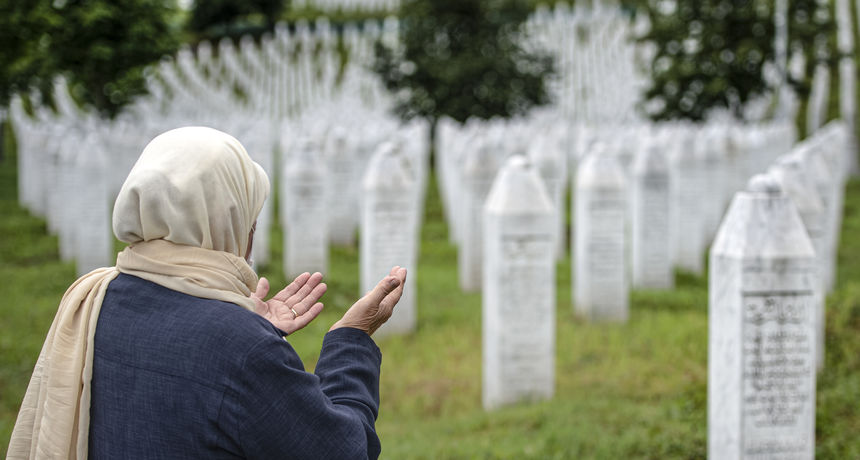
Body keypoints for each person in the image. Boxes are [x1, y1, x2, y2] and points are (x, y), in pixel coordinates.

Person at [8, 127, 407, 459]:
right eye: (249, 216)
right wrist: (351, 340)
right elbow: (341, 451)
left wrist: (244, 329)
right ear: (228, 221)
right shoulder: (240, 346)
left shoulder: (96, 295)